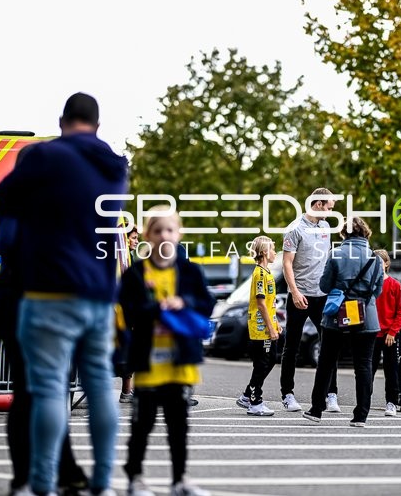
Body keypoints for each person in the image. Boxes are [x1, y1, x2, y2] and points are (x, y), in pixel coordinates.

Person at [0, 92, 127, 496]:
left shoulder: (43, 157)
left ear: (61, 120)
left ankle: (41, 483)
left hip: (49, 290)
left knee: (50, 390)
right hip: (99, 295)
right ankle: (103, 481)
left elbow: (6, 204)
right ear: (98, 126)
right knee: (100, 386)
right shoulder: (115, 166)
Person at [0, 145, 88, 496]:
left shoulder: (10, 201)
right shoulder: (44, 206)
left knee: (31, 395)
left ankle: (42, 476)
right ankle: (51, 474)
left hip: (15, 306)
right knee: (46, 394)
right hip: (40, 308)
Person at [119, 206, 215, 496]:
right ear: (148, 235)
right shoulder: (136, 273)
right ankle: (135, 477)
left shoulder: (190, 271)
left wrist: (184, 302)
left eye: (169, 230)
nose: (164, 236)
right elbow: (129, 310)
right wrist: (156, 308)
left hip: (179, 362)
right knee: (142, 424)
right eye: (158, 230)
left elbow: (207, 304)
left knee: (178, 426)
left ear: (178, 234)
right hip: (148, 363)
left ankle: (179, 480)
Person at [303, 217, 383, 427]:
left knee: (326, 362)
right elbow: (377, 291)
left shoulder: (336, 253)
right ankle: (360, 416)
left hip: (337, 315)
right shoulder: (375, 258)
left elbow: (324, 285)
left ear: (344, 234)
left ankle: (316, 409)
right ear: (365, 233)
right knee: (363, 366)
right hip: (366, 316)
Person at [279, 187, 340, 412]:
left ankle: (331, 394)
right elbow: (287, 263)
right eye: (329, 208)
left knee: (329, 345)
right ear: (318, 204)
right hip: (300, 295)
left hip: (322, 296)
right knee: (291, 346)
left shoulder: (325, 227)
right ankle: (287, 394)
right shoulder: (294, 229)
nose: (330, 212)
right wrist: (295, 292)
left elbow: (327, 260)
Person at [236, 236, 281, 416]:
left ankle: (248, 395)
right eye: (272, 249)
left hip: (268, 326)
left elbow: (270, 304)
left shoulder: (267, 272)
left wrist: (276, 324)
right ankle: (255, 402)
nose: (275, 252)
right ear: (264, 252)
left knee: (270, 360)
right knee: (262, 364)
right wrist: (270, 327)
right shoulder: (260, 274)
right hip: (260, 328)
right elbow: (261, 304)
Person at [371, 249, 401, 417]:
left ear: (386, 264)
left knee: (391, 369)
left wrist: (392, 332)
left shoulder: (395, 285)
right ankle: (365, 400)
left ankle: (391, 402)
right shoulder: (368, 285)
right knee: (367, 369)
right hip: (371, 334)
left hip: (389, 335)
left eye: (379, 261)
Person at [120, 225, 140, 404]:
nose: (136, 241)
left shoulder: (129, 257)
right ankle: (127, 391)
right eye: (134, 237)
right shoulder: (122, 257)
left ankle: (127, 390)